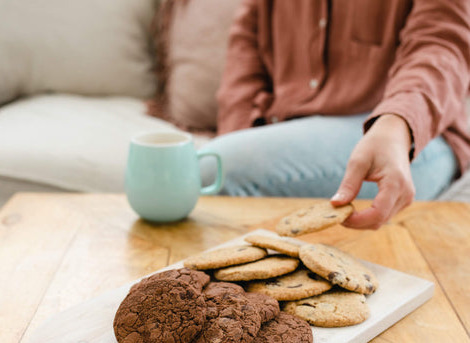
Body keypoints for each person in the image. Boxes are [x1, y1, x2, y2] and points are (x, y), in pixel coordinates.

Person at [201, 0, 470, 229]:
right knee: (201, 170)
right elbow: (246, 50)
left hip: (410, 134)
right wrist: (245, 142)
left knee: (211, 170)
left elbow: (443, 44)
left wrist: (396, 123)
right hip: (293, 128)